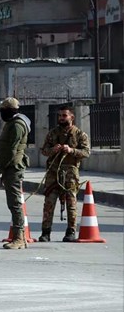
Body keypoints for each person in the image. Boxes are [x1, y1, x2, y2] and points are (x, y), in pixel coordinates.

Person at [39, 104, 90, 242]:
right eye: (60, 116)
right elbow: (43, 150)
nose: (61, 118)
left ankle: (71, 231)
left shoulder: (80, 135)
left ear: (71, 117)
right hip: (53, 172)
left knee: (71, 202)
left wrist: (71, 150)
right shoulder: (53, 133)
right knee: (49, 202)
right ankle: (46, 232)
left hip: (70, 172)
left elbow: (86, 152)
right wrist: (52, 150)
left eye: (64, 115)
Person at [0, 97, 32, 250]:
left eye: (3, 110)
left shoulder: (16, 125)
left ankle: (19, 238)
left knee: (15, 203)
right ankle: (20, 237)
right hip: (11, 166)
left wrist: (1, 168)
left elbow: (11, 150)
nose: (1, 113)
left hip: (13, 167)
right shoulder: (12, 123)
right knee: (13, 203)